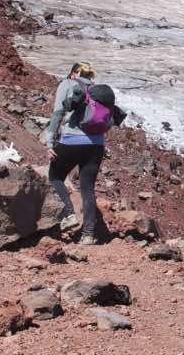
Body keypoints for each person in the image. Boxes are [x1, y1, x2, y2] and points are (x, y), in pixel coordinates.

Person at [43, 62, 125, 245]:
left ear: (73, 73)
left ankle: (70, 215)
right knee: (87, 188)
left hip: (72, 141)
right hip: (96, 145)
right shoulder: (99, 91)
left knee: (55, 176)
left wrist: (49, 142)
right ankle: (88, 235)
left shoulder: (68, 84)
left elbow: (58, 113)